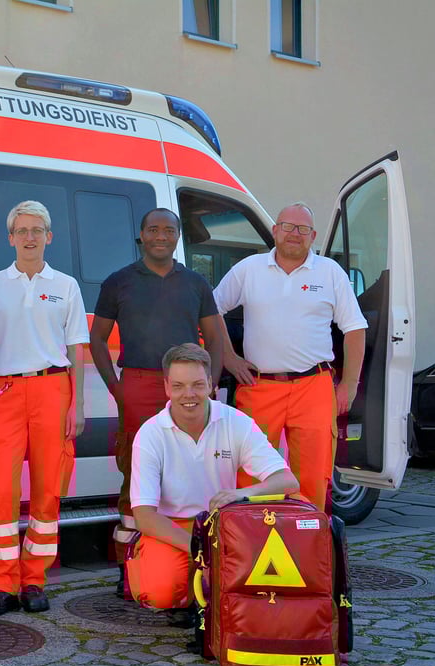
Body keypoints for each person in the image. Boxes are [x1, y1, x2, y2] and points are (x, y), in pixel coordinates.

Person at [89, 208, 225, 595]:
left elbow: (214, 339)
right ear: (142, 236)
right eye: (153, 229)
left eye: (168, 230)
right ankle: (129, 567)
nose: (161, 236)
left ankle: (184, 557)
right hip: (138, 384)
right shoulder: (119, 282)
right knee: (135, 475)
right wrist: (117, 388)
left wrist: (209, 381)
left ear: (178, 236)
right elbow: (97, 339)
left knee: (187, 469)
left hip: (186, 390)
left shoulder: (196, 283)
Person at [0, 200, 89, 616]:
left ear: (49, 236)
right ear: (11, 238)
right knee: (0, 489)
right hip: (2, 392)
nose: (30, 237)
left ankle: (34, 580)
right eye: (22, 230)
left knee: (48, 488)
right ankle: (3, 583)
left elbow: (77, 351)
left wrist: (79, 403)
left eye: (37, 230)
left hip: (53, 389)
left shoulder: (67, 285)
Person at [213, 202, 366, 513]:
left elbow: (355, 328)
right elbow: (211, 308)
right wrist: (228, 356)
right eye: (288, 226)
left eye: (303, 229)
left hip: (314, 386)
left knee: (312, 475)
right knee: (251, 473)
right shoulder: (249, 268)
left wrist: (349, 384)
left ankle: (310, 546)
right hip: (259, 386)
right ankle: (250, 544)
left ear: (313, 236)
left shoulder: (330, 272)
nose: (295, 234)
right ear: (275, 231)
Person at [127, 343, 300, 616]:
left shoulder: (236, 422)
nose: (189, 394)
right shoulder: (150, 434)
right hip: (172, 529)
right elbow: (145, 517)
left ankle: (212, 591)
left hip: (222, 526)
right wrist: (200, 549)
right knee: (159, 592)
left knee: (297, 505)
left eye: (197, 384)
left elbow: (288, 481)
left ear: (210, 384)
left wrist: (244, 494)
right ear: (166, 388)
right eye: (179, 385)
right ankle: (195, 591)